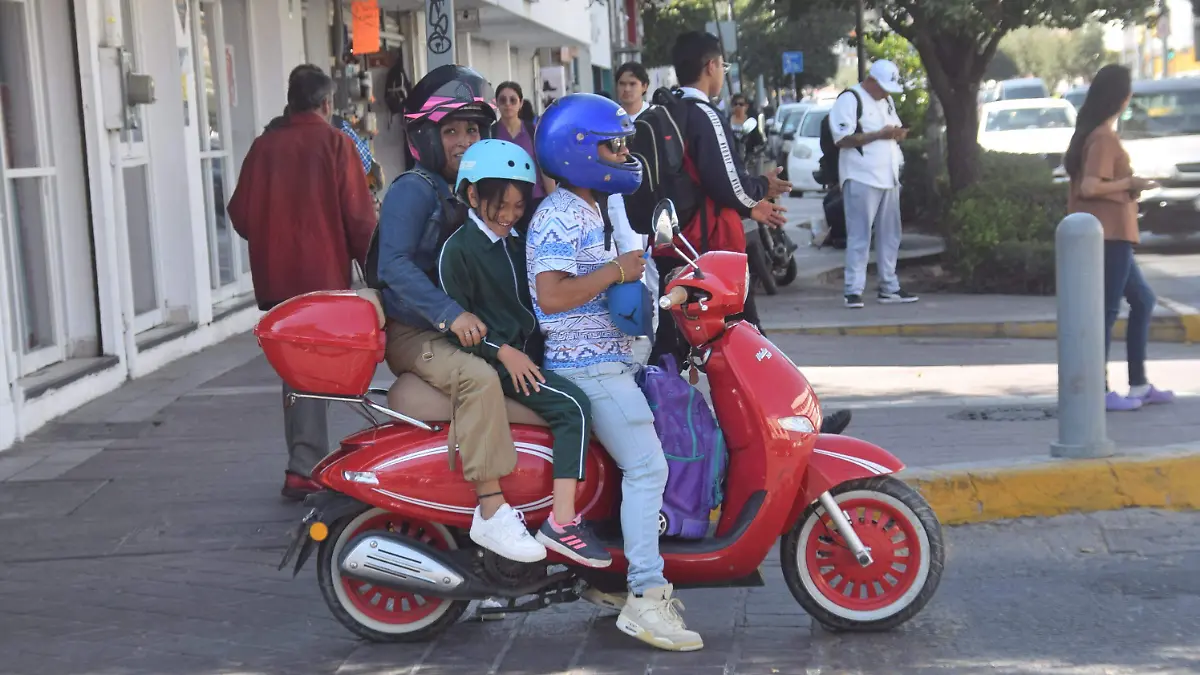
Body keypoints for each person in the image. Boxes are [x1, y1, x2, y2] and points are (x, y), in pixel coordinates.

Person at [528, 92, 704, 652]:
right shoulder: (560, 213)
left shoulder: (593, 206)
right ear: (577, 149)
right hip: (587, 367)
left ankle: (610, 579)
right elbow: (550, 295)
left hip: (610, 361)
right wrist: (615, 272)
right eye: (613, 146)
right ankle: (647, 597)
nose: (624, 155)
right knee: (648, 469)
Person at [374, 64, 546, 564]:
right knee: (477, 379)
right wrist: (450, 314)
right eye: (451, 131)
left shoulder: (473, 189)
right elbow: (393, 266)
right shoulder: (414, 188)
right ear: (426, 137)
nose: (464, 141)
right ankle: (491, 508)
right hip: (417, 330)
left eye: (472, 130)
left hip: (462, 327)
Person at [439, 139, 610, 567]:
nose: (509, 215)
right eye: (500, 205)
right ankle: (562, 522)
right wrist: (503, 352)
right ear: (472, 195)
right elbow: (459, 327)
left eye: (518, 206)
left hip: (529, 355)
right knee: (574, 406)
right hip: (496, 363)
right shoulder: (458, 251)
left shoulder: (518, 242)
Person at [227, 65, 376, 501]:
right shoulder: (335, 143)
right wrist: (376, 270)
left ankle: (306, 461)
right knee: (314, 367)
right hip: (323, 277)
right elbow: (359, 218)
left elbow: (240, 214)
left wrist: (274, 236)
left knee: (297, 368)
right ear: (327, 103)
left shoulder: (264, 147)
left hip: (278, 278)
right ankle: (308, 464)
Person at [649, 31, 791, 371]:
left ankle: (655, 401)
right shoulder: (704, 114)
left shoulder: (665, 112)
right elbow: (727, 182)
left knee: (672, 344)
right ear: (711, 66)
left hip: (671, 242)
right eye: (722, 67)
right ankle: (771, 405)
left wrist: (753, 198)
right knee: (747, 338)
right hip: (711, 248)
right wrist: (759, 190)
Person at [1063, 64, 1175, 411]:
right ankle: (1097, 391)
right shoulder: (1103, 137)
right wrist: (1131, 183)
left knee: (1142, 300)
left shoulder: (1095, 133)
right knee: (1107, 311)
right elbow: (1090, 187)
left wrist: (1129, 186)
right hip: (1108, 234)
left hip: (1113, 233)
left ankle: (1139, 384)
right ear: (1122, 97)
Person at [828, 59, 919, 309]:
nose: (887, 93)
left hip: (889, 175)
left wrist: (897, 134)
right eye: (884, 87)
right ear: (872, 81)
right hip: (862, 175)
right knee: (859, 234)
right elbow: (842, 139)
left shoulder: (886, 101)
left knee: (890, 234)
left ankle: (889, 286)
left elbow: (892, 128)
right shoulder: (850, 99)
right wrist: (880, 134)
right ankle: (853, 290)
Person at [607, 61, 660, 363]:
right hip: (620, 200)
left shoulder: (654, 119)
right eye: (622, 84)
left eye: (632, 84)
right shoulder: (609, 120)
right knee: (631, 258)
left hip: (652, 201)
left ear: (644, 86)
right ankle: (636, 322)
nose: (627, 89)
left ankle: (659, 323)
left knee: (655, 263)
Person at [493, 81, 556, 210]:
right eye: (503, 100)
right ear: (497, 103)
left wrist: (554, 202)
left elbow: (544, 169)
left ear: (521, 103)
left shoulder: (533, 130)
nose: (508, 104)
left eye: (513, 100)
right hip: (503, 203)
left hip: (535, 200)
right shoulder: (490, 133)